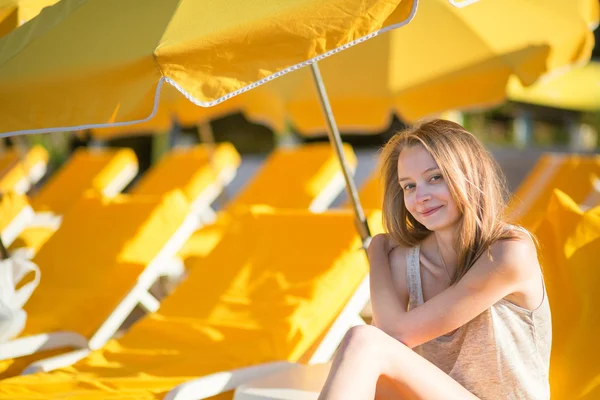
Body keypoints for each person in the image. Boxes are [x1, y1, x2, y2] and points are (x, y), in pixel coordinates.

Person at [318, 119, 551, 400]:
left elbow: (391, 335)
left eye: (435, 177)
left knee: (362, 341)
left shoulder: (508, 252)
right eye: (409, 186)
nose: (421, 197)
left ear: (470, 175)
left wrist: (377, 249)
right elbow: (382, 350)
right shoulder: (409, 262)